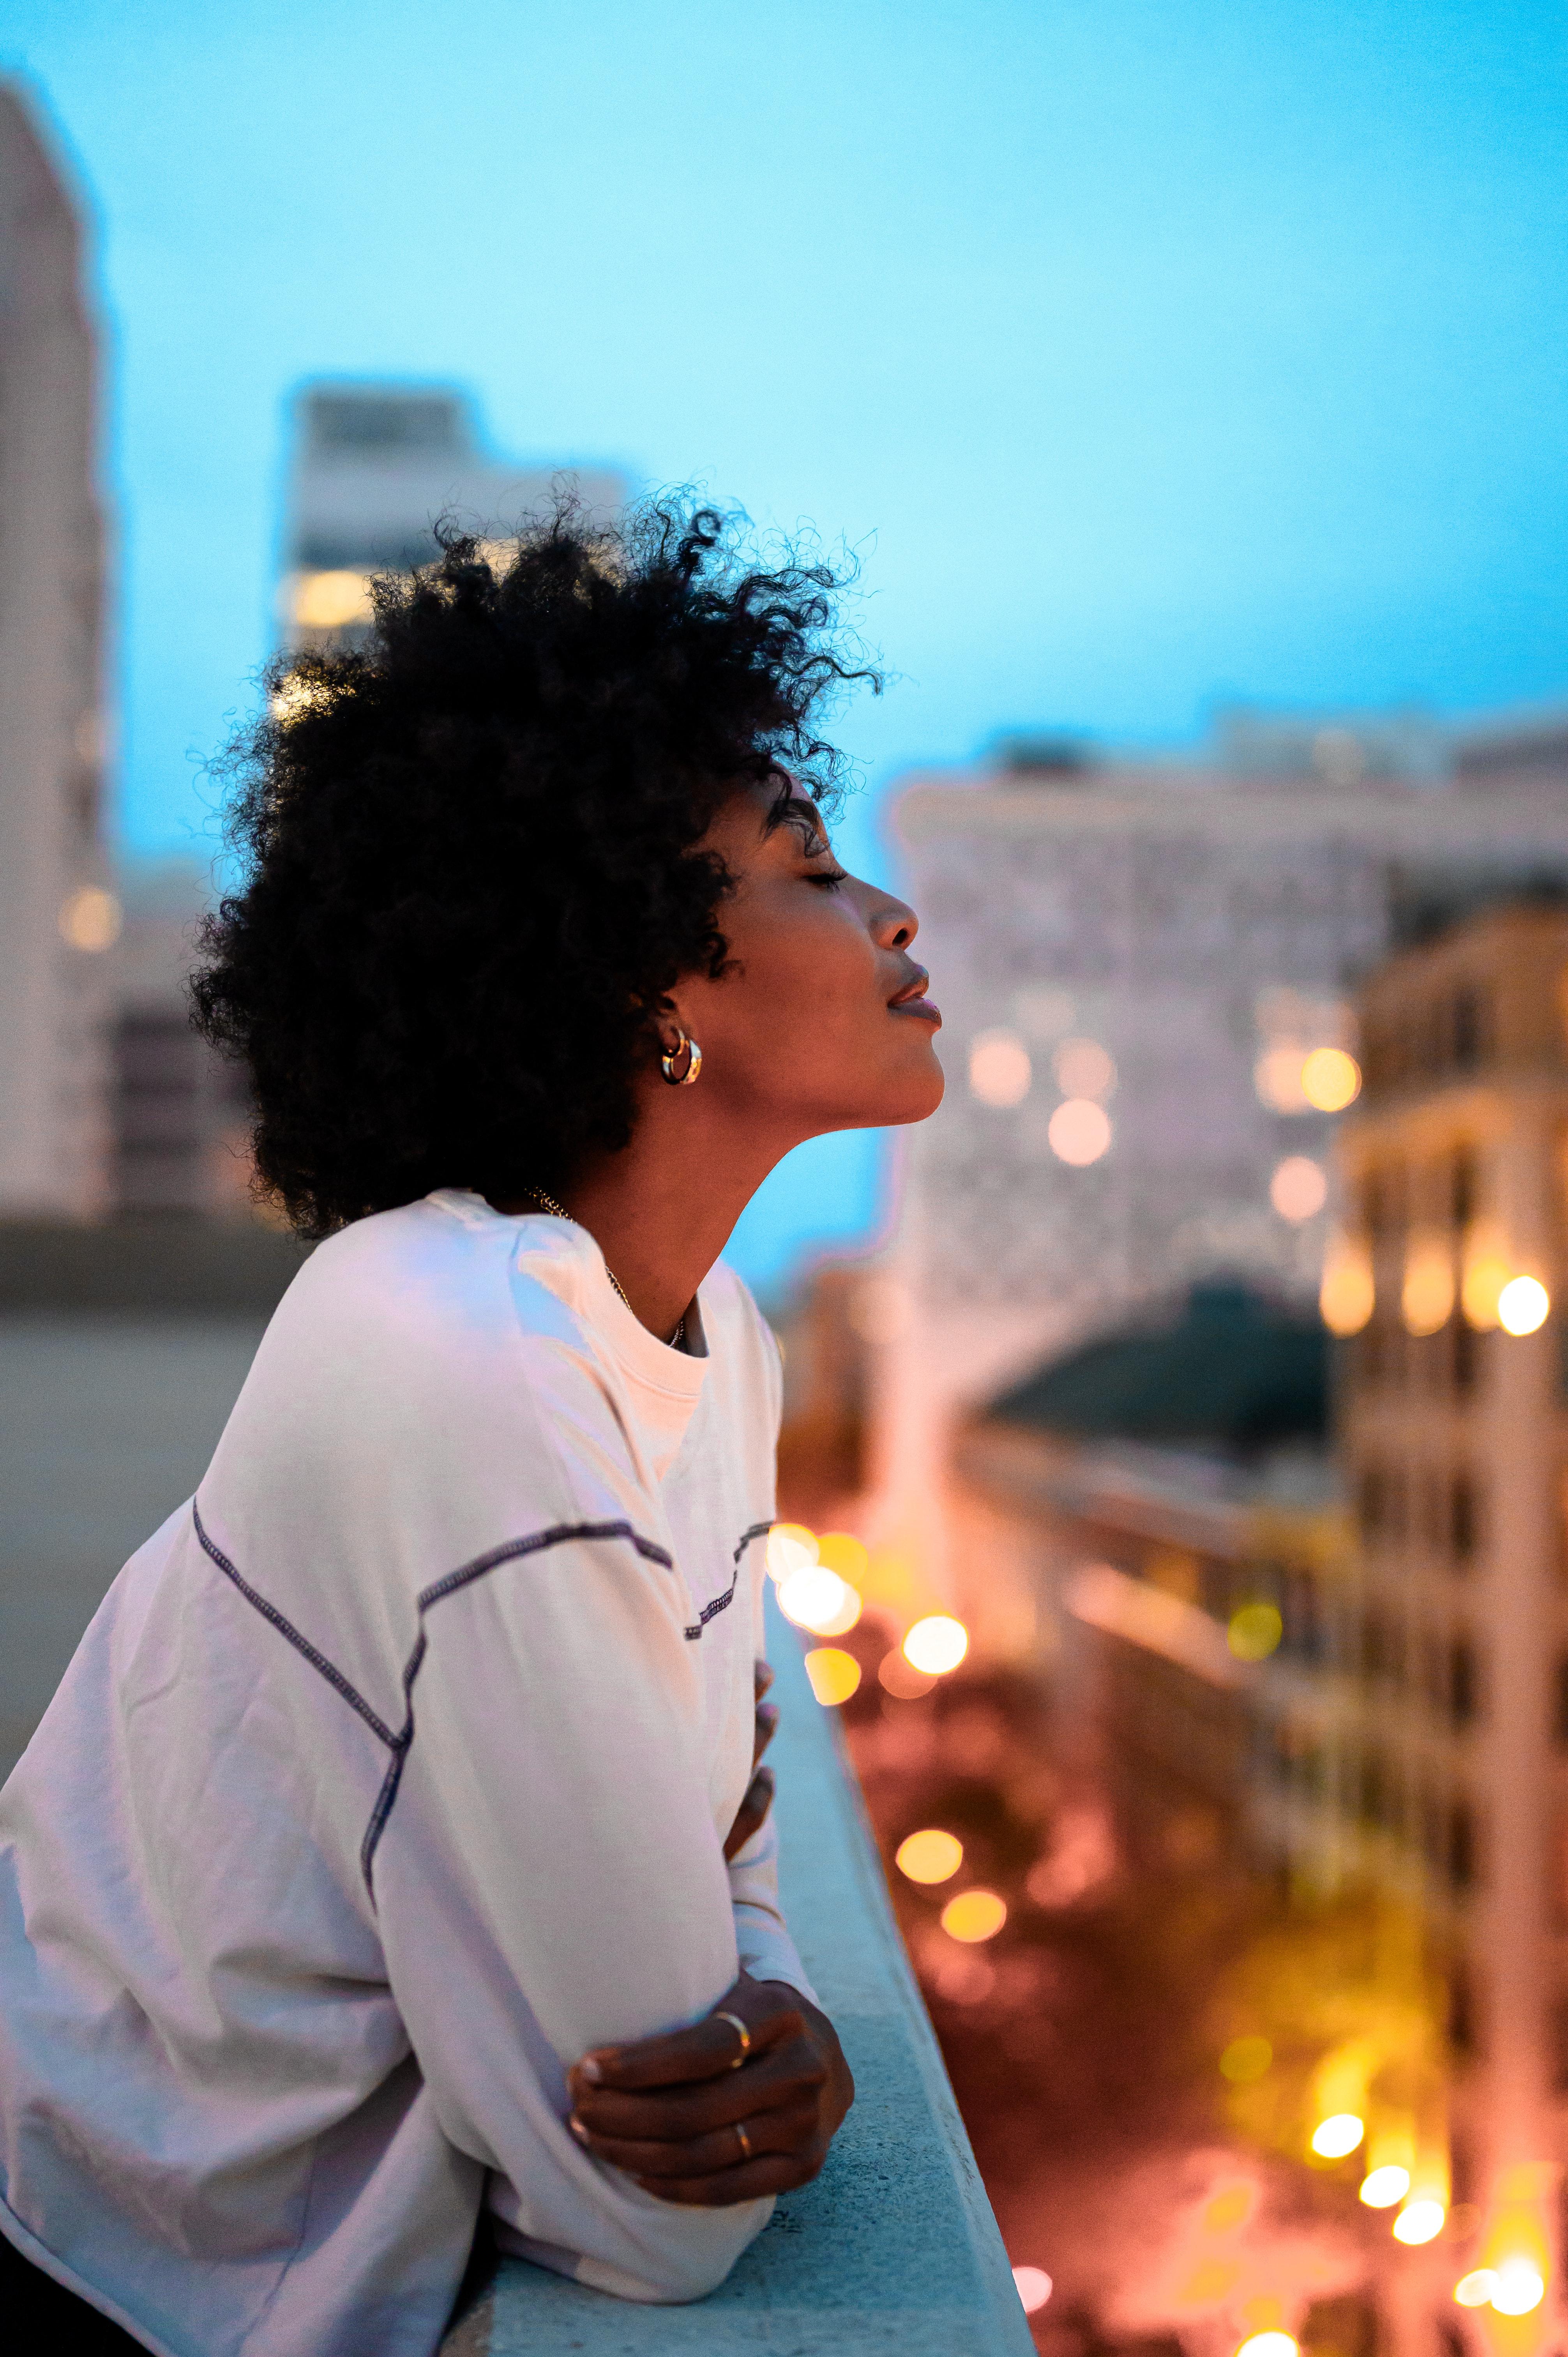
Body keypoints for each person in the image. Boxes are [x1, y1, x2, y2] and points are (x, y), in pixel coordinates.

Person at [0, 504, 945, 2355]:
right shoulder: (464, 1361)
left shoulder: (708, 1339)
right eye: (809, 868)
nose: (892, 913)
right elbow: (646, 2226)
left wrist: (762, 2006)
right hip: (92, 2269)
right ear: (648, 983)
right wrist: (749, 2036)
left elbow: (725, 1813)